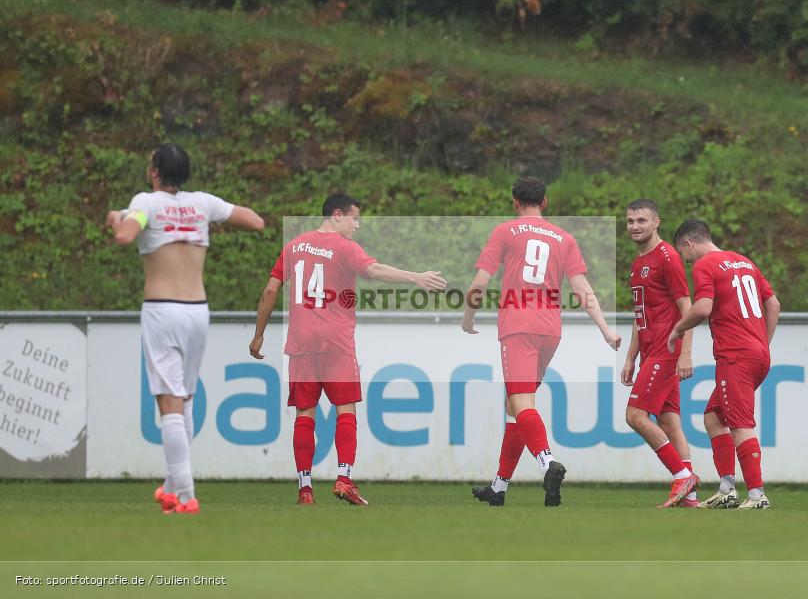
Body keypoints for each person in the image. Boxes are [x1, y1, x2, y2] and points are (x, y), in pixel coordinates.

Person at [249, 193, 446, 506]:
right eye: (354, 218)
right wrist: (416, 277)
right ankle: (344, 479)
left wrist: (259, 334)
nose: (357, 225)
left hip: (301, 344)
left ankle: (305, 489)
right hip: (336, 343)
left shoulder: (294, 246)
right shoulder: (344, 247)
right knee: (346, 409)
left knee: (304, 414)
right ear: (337, 214)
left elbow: (271, 289)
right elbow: (375, 270)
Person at [106, 143, 264, 514]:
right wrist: (207, 221)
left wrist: (117, 218)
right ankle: (171, 488)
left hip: (162, 311)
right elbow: (255, 221)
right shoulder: (203, 204)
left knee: (170, 403)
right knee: (185, 400)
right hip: (197, 312)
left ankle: (188, 495)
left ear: (155, 172)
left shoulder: (145, 203)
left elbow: (126, 235)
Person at [463, 176, 620, 507]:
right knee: (514, 406)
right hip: (550, 329)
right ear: (544, 202)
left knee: (522, 403)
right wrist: (606, 329)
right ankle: (499, 486)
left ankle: (547, 463)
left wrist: (468, 317)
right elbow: (582, 289)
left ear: (515, 202)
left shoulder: (505, 231)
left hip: (518, 326)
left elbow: (480, 281)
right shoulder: (564, 238)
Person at [667, 220, 780, 509]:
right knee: (714, 417)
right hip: (758, 353)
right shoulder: (744, 262)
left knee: (740, 424)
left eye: (684, 253)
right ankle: (728, 489)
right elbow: (774, 304)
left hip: (735, 356)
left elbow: (703, 308)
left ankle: (757, 495)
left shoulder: (705, 265)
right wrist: (761, 343)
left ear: (688, 245)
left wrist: (679, 328)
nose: (686, 259)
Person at [621, 199, 699, 508]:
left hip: (667, 351)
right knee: (669, 423)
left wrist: (685, 353)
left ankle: (682, 476)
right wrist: (630, 356)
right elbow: (641, 313)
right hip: (649, 350)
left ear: (657, 222)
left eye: (641, 220)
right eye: (630, 221)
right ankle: (690, 497)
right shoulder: (638, 263)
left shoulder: (667, 257)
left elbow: (688, 309)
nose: (635, 226)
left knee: (635, 416)